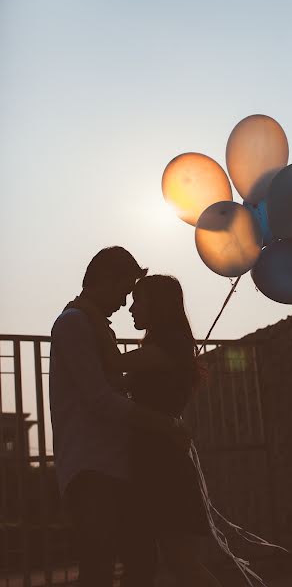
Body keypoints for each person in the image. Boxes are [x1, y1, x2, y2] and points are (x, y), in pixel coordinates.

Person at [49, 247, 191, 587]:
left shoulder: (95, 326)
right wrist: (164, 424)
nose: (125, 302)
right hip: (91, 464)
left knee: (140, 563)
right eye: (124, 290)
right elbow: (100, 399)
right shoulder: (74, 323)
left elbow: (113, 384)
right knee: (100, 567)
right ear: (104, 281)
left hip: (117, 464)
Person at [103, 274, 223, 587]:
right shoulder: (163, 347)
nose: (131, 309)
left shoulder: (171, 345)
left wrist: (90, 322)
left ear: (159, 305)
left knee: (181, 562)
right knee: (166, 561)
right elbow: (118, 381)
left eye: (138, 301)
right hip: (153, 458)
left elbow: (113, 366)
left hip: (162, 462)